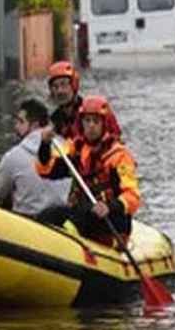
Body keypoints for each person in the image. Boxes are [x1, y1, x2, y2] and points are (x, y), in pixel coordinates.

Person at [35, 94, 140, 246]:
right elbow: (46, 170)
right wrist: (44, 145)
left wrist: (109, 207)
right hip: (82, 214)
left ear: (104, 124)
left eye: (96, 121)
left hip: (111, 219)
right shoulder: (74, 148)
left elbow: (133, 196)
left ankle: (68, 241)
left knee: (85, 212)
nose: (91, 126)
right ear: (81, 123)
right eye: (87, 121)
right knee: (48, 215)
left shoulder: (119, 155)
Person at [0, 98, 70, 218]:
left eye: (20, 122)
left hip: (27, 224)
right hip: (62, 224)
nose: (16, 127)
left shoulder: (14, 156)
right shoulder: (65, 148)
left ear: (34, 125)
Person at [47, 60, 121, 141]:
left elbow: (116, 140)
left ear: (74, 85)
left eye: (64, 84)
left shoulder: (94, 110)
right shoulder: (54, 120)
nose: (59, 91)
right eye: (55, 87)